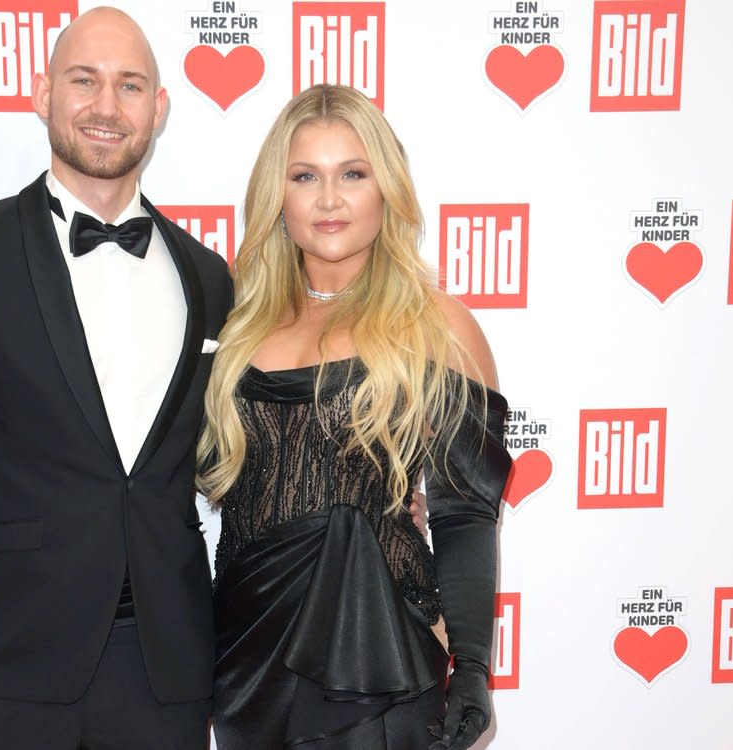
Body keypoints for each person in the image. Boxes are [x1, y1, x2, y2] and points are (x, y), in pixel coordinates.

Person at [0, 7, 234, 750]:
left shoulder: (209, 276)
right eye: (83, 81)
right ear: (42, 94)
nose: (105, 106)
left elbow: (231, 461)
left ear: (158, 110)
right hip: (8, 665)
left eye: (130, 86)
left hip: (166, 671)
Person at [198, 84, 513, 750]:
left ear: (386, 188)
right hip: (248, 658)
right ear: (277, 197)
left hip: (379, 651)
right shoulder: (234, 327)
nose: (330, 198)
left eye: (353, 174)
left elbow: (464, 515)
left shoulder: (437, 327)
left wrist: (475, 668)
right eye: (305, 176)